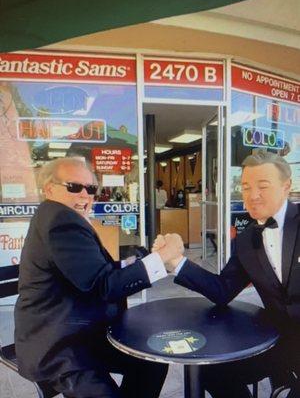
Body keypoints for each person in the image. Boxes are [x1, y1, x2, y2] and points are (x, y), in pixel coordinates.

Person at [14, 157, 183, 398]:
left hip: (83, 334)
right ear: (49, 189)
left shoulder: (58, 217)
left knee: (151, 360)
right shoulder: (61, 220)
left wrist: (152, 258)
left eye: (91, 189)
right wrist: (165, 255)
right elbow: (104, 286)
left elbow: (100, 270)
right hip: (60, 346)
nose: (85, 195)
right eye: (74, 187)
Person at [153, 150, 300, 398]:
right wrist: (176, 260)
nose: (252, 196)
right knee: (212, 372)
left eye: (263, 186)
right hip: (278, 341)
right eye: (245, 187)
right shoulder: (246, 241)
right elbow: (222, 290)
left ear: (286, 187)